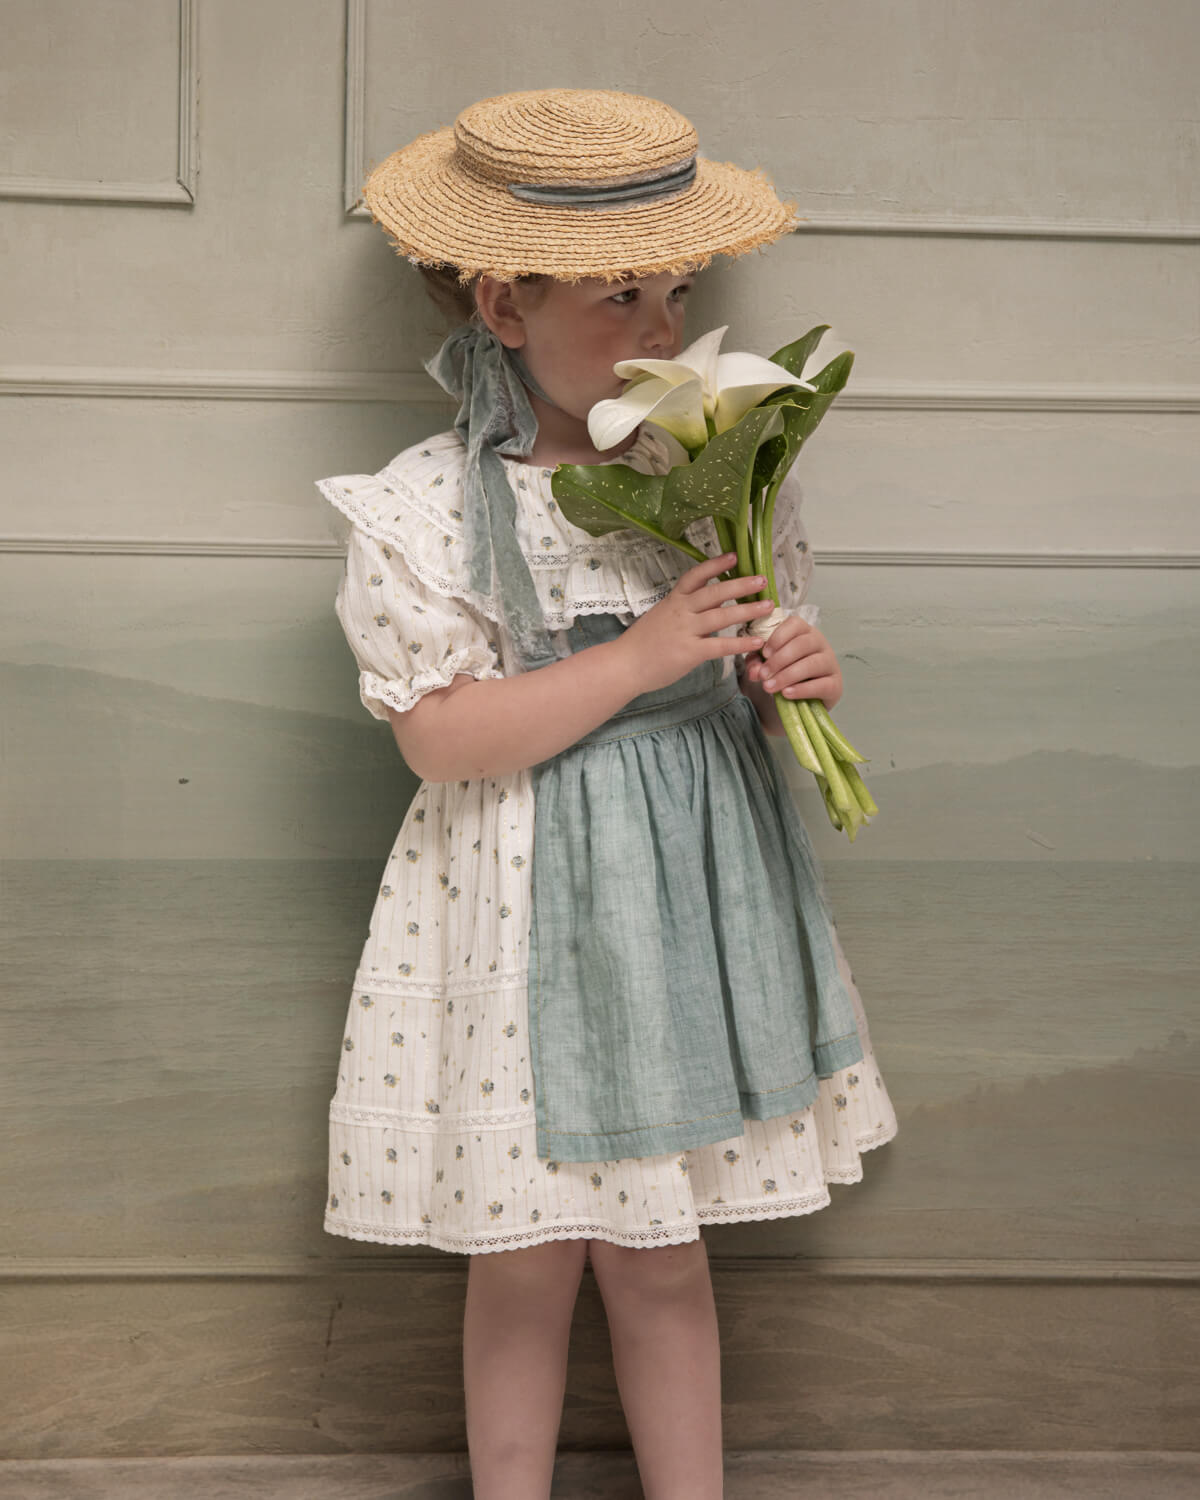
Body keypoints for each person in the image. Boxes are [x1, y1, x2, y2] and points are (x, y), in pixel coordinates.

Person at [315, 88, 898, 1500]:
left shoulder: (712, 474)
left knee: (662, 1252)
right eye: (618, 293)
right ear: (503, 305)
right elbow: (442, 740)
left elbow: (744, 672)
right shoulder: (430, 502)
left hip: (679, 915)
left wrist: (785, 678)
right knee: (521, 1261)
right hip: (516, 928)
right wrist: (642, 656)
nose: (658, 326)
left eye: (675, 290)